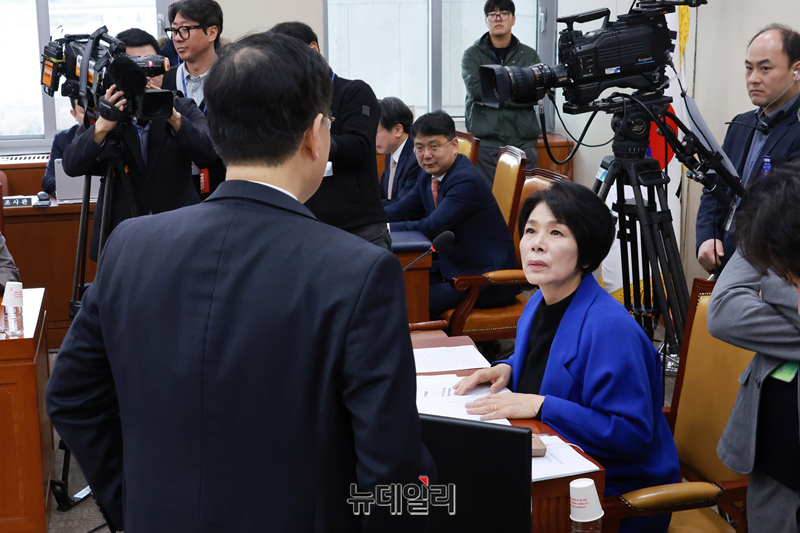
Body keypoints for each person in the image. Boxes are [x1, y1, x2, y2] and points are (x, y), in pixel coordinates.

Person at [46, 31, 432, 533]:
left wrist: (133, 503)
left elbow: (70, 396)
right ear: (315, 135)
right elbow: (392, 473)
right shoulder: (359, 271)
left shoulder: (128, 246)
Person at [454, 181, 680, 533]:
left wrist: (542, 405)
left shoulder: (611, 329)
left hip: (609, 492)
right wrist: (507, 368)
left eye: (556, 232)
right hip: (555, 459)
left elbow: (631, 434)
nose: (536, 243)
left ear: (586, 255)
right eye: (531, 230)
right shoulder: (538, 302)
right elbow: (552, 361)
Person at [62, 29, 216, 261]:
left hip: (178, 233)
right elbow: (71, 165)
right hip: (123, 236)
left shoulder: (181, 107)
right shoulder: (105, 114)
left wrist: (173, 118)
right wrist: (102, 126)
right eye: (134, 68)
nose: (145, 77)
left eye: (151, 67)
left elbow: (208, 153)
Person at [708, 162, 800, 532]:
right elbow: (724, 310)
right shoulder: (780, 203)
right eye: (790, 280)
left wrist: (772, 287)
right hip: (771, 450)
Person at [385, 110, 519, 317]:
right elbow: (403, 210)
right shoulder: (427, 174)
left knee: (410, 301)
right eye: (419, 148)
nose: (426, 155)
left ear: (454, 145)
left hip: (484, 278)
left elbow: (432, 227)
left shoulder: (466, 180)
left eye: (434, 147)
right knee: (393, 287)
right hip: (452, 266)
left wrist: (382, 230)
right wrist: (367, 221)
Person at [269, 22, 391, 250]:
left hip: (359, 228)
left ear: (313, 48)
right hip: (306, 225)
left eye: (287, 58)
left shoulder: (355, 92)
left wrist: (310, 141)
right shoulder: (287, 104)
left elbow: (360, 145)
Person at [697, 24, 800, 274]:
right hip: (725, 259)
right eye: (748, 68)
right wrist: (707, 235)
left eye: (765, 68)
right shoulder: (740, 124)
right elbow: (715, 184)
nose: (753, 78)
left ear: (796, 71)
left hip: (774, 268)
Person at [462, 0, 541, 183]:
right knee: (488, 196)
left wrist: (494, 94)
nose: (498, 18)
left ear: (513, 19)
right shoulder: (472, 55)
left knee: (523, 195)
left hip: (523, 140)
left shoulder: (529, 55)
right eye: (492, 14)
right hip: (487, 141)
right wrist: (516, 89)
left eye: (504, 13)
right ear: (486, 20)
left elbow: (534, 93)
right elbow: (476, 91)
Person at [161, 0, 226, 196]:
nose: (177, 38)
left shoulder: (231, 78)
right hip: (178, 188)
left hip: (222, 185)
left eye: (185, 30)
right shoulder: (167, 79)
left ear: (212, 33)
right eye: (173, 31)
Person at [376, 96, 421, 205]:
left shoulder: (417, 158)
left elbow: (403, 206)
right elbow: (383, 193)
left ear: (398, 130)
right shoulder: (390, 153)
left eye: (375, 132)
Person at [41, 97, 84, 196]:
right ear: (74, 114)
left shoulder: (114, 136)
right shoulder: (62, 139)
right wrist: (66, 189)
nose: (90, 116)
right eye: (83, 112)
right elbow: (47, 179)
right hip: (74, 196)